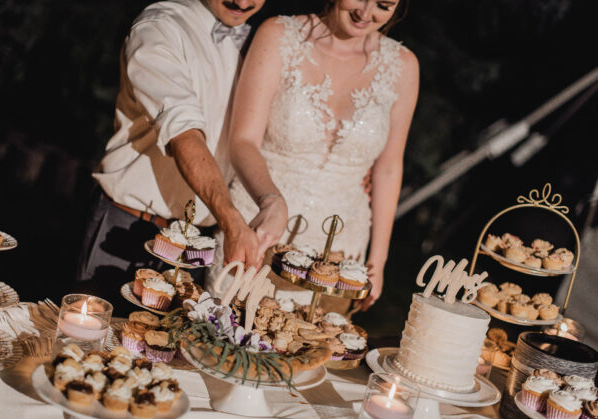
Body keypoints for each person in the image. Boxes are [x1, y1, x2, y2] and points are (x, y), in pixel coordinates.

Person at [208, 0, 419, 312]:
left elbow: (388, 169)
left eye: (383, 5)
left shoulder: (403, 66)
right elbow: (243, 141)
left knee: (315, 351)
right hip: (259, 231)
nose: (365, 12)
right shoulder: (279, 35)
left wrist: (378, 259)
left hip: (339, 257)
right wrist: (270, 200)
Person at [76, 0, 266, 307]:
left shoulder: (256, 48)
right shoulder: (159, 28)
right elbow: (184, 133)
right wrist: (232, 220)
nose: (243, 2)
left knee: (168, 352)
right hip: (130, 227)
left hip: (197, 245)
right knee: (91, 346)